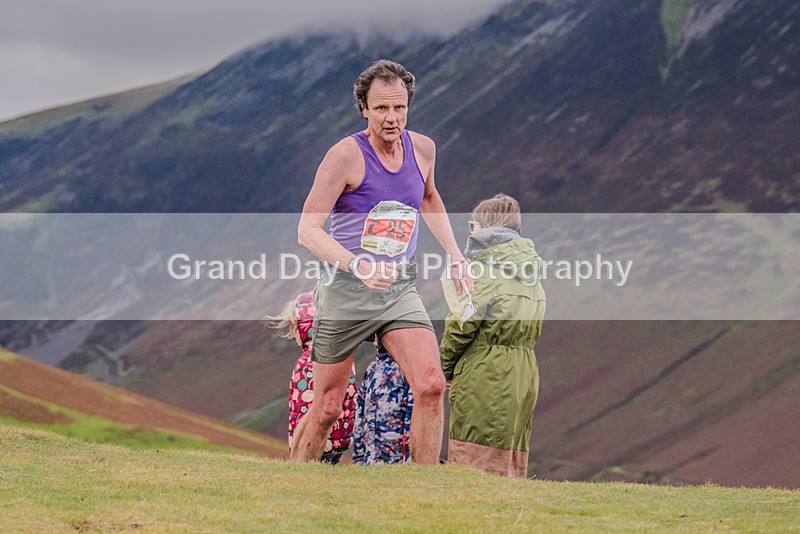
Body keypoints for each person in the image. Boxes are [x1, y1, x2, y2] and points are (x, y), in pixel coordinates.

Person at [294, 59, 472, 465]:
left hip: (398, 288)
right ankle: (295, 480)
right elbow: (307, 230)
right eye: (381, 108)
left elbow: (428, 197)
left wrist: (456, 255)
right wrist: (359, 265)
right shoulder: (344, 156)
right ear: (364, 108)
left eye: (399, 107)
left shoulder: (423, 149)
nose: (392, 118)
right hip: (345, 289)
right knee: (327, 408)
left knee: (430, 385)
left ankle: (423, 494)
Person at [440, 194, 546, 478]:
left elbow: (460, 326)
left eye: (472, 225)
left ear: (484, 227)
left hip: (486, 372)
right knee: (509, 461)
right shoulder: (531, 274)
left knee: (474, 462)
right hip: (524, 372)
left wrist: (444, 369)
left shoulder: (482, 271)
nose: (470, 231)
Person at [268, 292, 357, 464]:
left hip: (316, 443)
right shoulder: (342, 358)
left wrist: (298, 442)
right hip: (338, 440)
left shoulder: (310, 362)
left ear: (301, 328)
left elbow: (304, 406)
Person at [353, 338, 414, 465]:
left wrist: (410, 458)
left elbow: (412, 415)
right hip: (369, 460)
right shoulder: (372, 368)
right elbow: (360, 411)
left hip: (397, 462)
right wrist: (359, 457)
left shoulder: (406, 367)